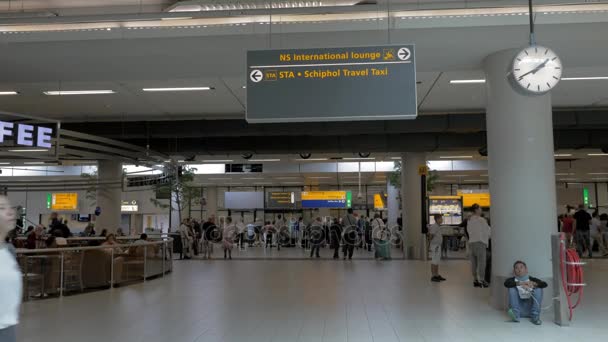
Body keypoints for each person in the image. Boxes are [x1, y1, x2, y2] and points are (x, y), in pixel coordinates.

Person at [0, 196, 20, 342]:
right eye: (1, 208)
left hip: (7, 329)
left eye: (10, 206)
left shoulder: (9, 251)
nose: (10, 212)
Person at [504, 260, 547, 325]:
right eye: (516, 268)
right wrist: (522, 283)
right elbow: (506, 284)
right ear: (514, 271)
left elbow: (544, 284)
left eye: (521, 267)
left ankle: (535, 316)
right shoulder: (511, 280)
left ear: (526, 269)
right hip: (518, 310)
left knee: (538, 289)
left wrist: (534, 284)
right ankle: (516, 316)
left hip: (530, 310)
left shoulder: (532, 279)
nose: (519, 269)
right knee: (512, 288)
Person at [467, 204, 491, 288]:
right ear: (476, 210)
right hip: (480, 243)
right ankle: (482, 280)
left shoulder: (469, 220)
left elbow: (469, 231)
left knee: (474, 263)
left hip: (471, 243)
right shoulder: (481, 220)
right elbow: (487, 231)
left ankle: (475, 280)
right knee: (481, 262)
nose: (481, 209)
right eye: (480, 208)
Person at [429, 214, 447, 282]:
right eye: (441, 218)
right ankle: (433, 276)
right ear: (437, 219)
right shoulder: (434, 226)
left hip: (437, 245)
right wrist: (433, 243)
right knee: (434, 260)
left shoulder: (437, 226)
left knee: (437, 260)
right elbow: (431, 236)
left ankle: (436, 275)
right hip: (435, 246)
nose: (442, 220)